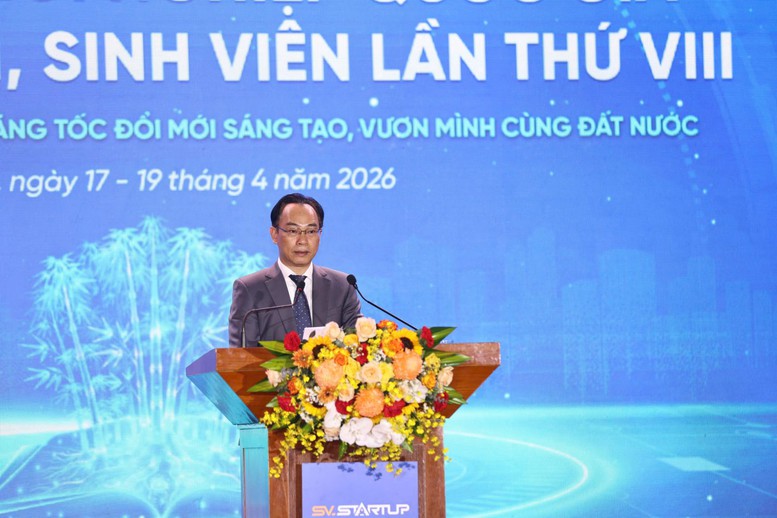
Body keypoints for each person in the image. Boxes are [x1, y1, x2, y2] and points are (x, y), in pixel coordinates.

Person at [228, 193, 362, 347]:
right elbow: (241, 357)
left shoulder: (342, 287)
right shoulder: (250, 289)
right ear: (274, 234)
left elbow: (356, 349)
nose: (302, 241)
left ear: (320, 235)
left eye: (311, 231)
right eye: (293, 231)